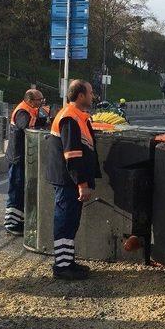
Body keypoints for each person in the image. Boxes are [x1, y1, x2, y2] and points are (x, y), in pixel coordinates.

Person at [46, 80, 101, 280]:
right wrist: (82, 184)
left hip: (69, 180)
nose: (92, 96)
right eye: (90, 92)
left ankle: (67, 261)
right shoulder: (70, 118)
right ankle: (62, 266)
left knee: (70, 222)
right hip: (67, 181)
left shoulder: (77, 116)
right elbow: (73, 155)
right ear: (80, 96)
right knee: (65, 221)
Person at [4, 89, 46, 235]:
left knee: (21, 189)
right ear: (30, 100)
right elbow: (27, 126)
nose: (41, 102)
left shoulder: (29, 109)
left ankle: (20, 220)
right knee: (16, 189)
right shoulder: (22, 111)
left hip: (23, 156)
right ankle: (11, 223)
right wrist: (44, 119)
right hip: (17, 157)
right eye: (39, 100)